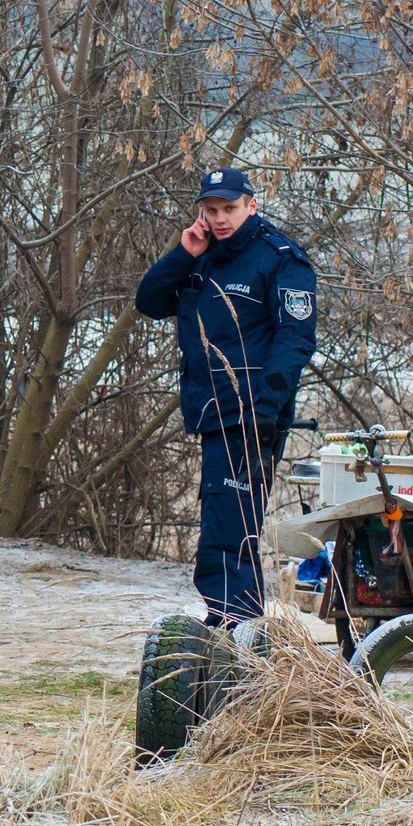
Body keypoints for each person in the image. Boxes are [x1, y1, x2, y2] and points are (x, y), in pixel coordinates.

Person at [136, 168, 318, 626]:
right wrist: (183, 252)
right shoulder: (202, 255)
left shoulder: (281, 259)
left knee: (229, 532)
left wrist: (264, 409)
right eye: (211, 210)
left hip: (252, 417)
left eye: (229, 209)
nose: (219, 219)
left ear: (251, 205)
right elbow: (149, 301)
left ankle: (239, 635)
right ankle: (233, 630)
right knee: (223, 527)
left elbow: (295, 341)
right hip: (211, 413)